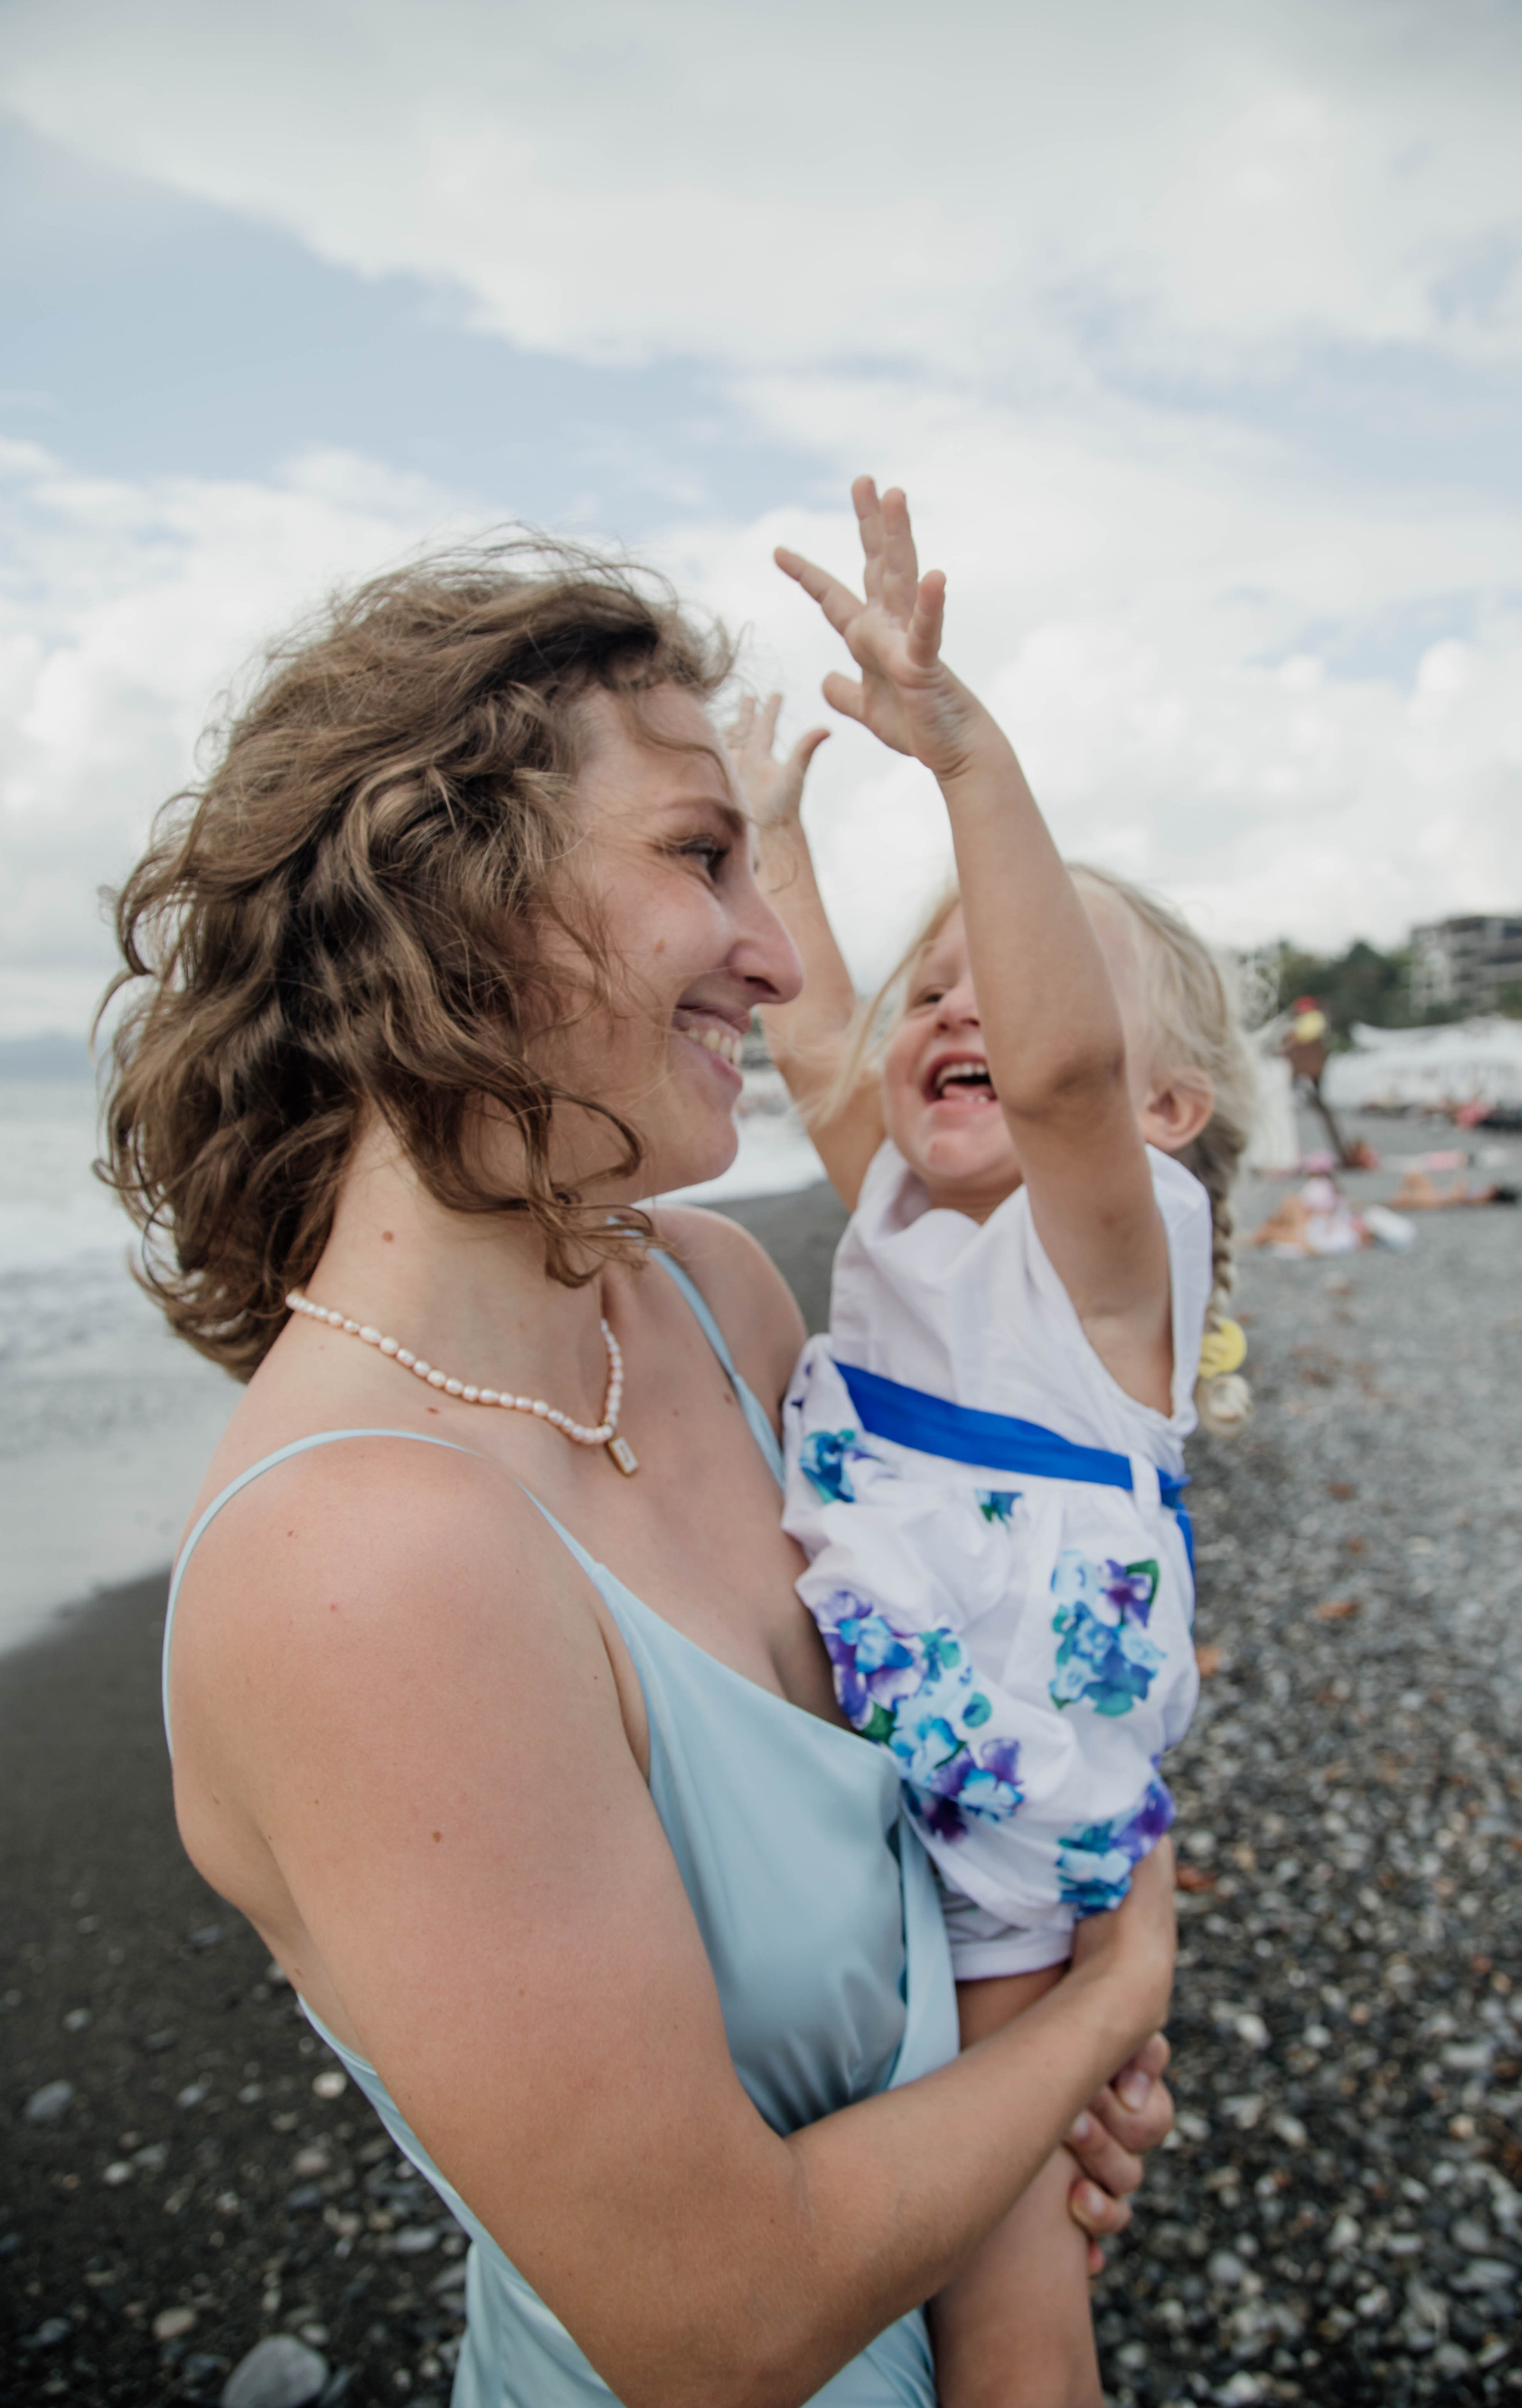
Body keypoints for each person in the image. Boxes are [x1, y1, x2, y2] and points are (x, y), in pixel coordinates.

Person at [101, 534, 1177, 2408]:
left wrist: (1024, 2102)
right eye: (700, 855)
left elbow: (955, 1810)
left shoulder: (716, 1299)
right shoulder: (359, 1567)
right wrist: (1108, 2013)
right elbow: (720, 2324)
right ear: (452, 897)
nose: (772, 954)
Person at [732, 480, 1254, 2405]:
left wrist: (968, 759)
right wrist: (780, 835)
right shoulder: (901, 1214)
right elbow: (818, 1048)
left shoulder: (1110, 1261)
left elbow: (1053, 1074)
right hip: (881, 1786)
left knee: (1013, 2283)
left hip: (1017, 1824)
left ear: (1167, 1100)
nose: (955, 1000)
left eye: (1006, 970)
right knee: (903, 2192)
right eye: (930, 976)